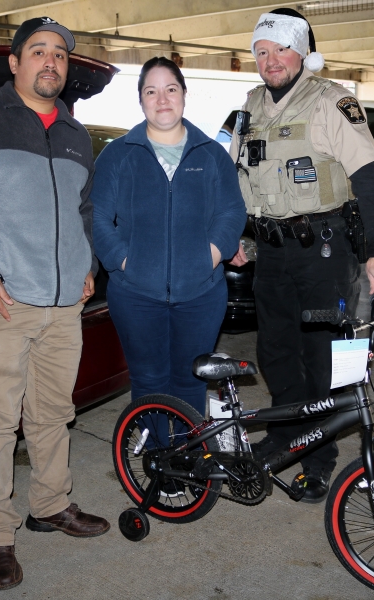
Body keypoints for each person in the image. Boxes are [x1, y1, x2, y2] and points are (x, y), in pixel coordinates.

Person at [0, 17, 110, 591]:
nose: (50, 62)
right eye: (38, 51)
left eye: (59, 54)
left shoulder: (78, 135)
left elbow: (84, 211)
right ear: (15, 62)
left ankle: (51, 505)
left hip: (63, 306)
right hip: (2, 302)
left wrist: (88, 267)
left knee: (55, 415)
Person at [229, 9, 374, 503]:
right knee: (276, 353)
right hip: (271, 255)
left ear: (302, 53)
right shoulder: (249, 106)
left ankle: (319, 458)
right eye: (261, 51)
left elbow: (368, 178)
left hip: (324, 251)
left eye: (280, 50)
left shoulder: (331, 101)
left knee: (321, 357)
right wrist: (237, 235)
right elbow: (235, 176)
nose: (270, 60)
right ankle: (284, 437)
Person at [91, 57, 246, 429]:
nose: (162, 99)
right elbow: (96, 217)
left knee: (191, 380)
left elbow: (232, 212)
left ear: (184, 95)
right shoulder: (118, 155)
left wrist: (208, 257)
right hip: (135, 295)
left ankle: (188, 462)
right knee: (148, 382)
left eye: (171, 89)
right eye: (151, 91)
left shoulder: (210, 155)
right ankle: (158, 465)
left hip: (201, 294)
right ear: (141, 100)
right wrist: (126, 263)